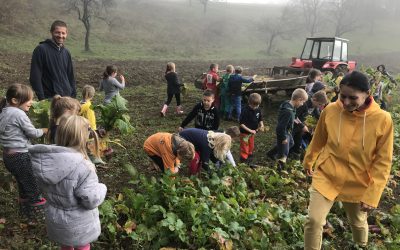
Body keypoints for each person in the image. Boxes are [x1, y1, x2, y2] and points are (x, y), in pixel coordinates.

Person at [303, 71, 393, 249]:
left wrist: (372, 194)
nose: (345, 102)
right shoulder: (330, 110)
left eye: (353, 98)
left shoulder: (383, 119)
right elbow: (319, 139)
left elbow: (383, 161)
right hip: (327, 174)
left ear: (367, 94)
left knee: (358, 222)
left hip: (358, 180)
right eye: (342, 96)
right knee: (314, 221)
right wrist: (309, 159)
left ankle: (361, 247)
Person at [30, 115, 107, 250]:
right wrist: (102, 188)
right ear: (84, 138)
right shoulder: (84, 167)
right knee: (82, 245)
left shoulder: (46, 162)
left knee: (65, 244)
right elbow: (90, 200)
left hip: (56, 219)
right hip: (79, 223)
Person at [0, 84, 48, 219]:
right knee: (33, 185)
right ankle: (38, 215)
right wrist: (44, 130)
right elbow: (32, 133)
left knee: (23, 182)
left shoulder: (4, 111)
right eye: (28, 100)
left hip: (8, 156)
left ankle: (25, 211)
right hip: (20, 155)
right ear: (15, 100)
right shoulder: (18, 113)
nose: (31, 102)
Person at [30, 20, 76, 100]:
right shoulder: (41, 49)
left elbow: (70, 76)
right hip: (49, 98)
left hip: (67, 98)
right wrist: (42, 98)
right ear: (51, 32)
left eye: (63, 33)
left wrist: (73, 96)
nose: (60, 35)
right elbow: (35, 76)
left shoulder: (66, 52)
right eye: (57, 32)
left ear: (66, 34)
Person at [266, 88, 308, 169]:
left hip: (288, 132)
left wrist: (301, 124)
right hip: (284, 133)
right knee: (284, 153)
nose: (302, 104)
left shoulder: (291, 106)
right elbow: (280, 127)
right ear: (299, 100)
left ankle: (271, 153)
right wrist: (283, 138)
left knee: (291, 143)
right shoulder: (287, 112)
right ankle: (280, 167)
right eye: (303, 102)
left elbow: (295, 116)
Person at [290, 90, 328, 157]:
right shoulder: (303, 104)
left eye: (321, 105)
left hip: (300, 125)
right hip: (293, 124)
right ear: (314, 99)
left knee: (298, 139)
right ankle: (277, 153)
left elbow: (317, 115)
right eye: (319, 104)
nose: (320, 107)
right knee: (290, 139)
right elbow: (294, 116)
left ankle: (295, 152)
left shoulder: (314, 105)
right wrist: (302, 126)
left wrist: (324, 122)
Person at [239, 93, 264, 165]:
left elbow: (260, 119)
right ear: (249, 103)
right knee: (245, 146)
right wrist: (250, 130)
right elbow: (241, 124)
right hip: (244, 133)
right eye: (253, 105)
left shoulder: (258, 109)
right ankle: (243, 159)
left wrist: (261, 125)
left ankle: (249, 155)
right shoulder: (245, 111)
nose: (255, 107)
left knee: (251, 145)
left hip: (252, 133)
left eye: (257, 105)